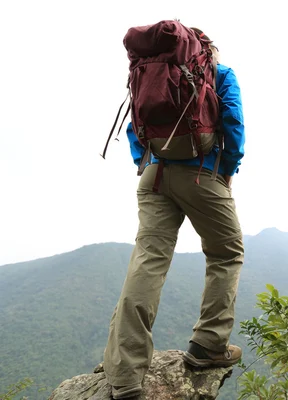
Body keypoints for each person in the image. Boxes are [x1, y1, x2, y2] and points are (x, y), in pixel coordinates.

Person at [102, 28, 245, 399]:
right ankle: (208, 345)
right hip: (202, 173)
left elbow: (137, 125)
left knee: (147, 262)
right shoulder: (219, 73)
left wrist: (144, 162)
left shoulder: (145, 73)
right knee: (226, 254)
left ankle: (125, 376)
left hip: (153, 174)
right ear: (202, 49)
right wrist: (226, 169)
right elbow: (234, 124)